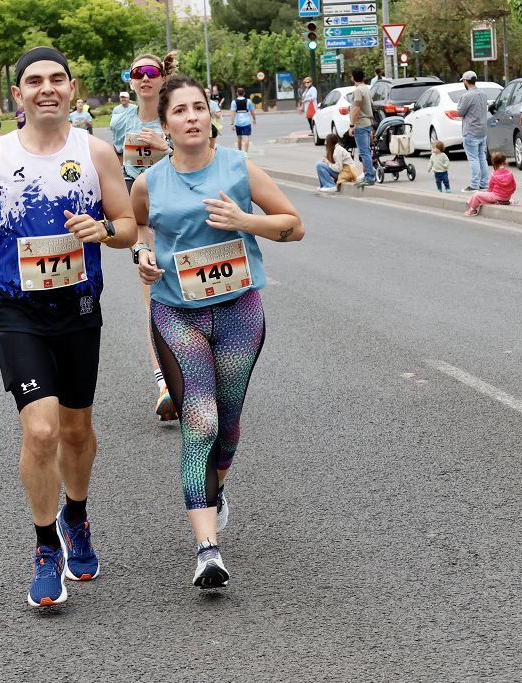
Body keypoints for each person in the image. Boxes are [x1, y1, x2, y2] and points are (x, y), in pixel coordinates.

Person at [0, 46, 137, 608]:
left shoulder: (97, 152)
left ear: (72, 90)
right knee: (42, 430)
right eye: (35, 81)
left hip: (79, 309)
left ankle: (76, 516)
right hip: (18, 310)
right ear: (19, 95)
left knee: (77, 430)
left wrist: (104, 230)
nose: (46, 88)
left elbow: (128, 227)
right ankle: (45, 545)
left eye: (57, 79)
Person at [132, 73, 304, 589]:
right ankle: (207, 548)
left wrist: (244, 221)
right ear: (164, 125)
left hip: (238, 312)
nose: (191, 117)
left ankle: (215, 488)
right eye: (179, 110)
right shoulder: (148, 182)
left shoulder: (239, 168)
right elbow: (140, 228)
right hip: (176, 313)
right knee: (200, 422)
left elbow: (293, 224)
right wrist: (143, 255)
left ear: (212, 117)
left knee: (227, 426)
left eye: (198, 108)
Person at [111, 52, 178, 421]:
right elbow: (117, 172)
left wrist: (166, 147)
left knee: (190, 296)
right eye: (137, 72)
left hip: (181, 215)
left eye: (151, 71)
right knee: (155, 300)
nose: (144, 78)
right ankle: (164, 385)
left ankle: (197, 374)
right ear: (131, 80)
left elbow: (205, 157)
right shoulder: (121, 119)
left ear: (162, 77)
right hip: (141, 218)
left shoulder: (176, 111)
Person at [457, 70, 490, 193]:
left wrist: (460, 101)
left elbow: (460, 112)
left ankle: (474, 184)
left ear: (466, 81)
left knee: (473, 159)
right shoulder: (483, 94)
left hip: (471, 130)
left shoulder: (467, 96)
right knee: (482, 157)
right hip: (482, 130)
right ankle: (484, 183)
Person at [464, 152, 517, 216]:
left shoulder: (494, 175)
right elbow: (514, 186)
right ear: (505, 161)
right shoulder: (510, 173)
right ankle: (470, 202)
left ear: (494, 163)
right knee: (480, 195)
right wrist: (507, 194)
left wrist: (489, 194)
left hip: (496, 197)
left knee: (477, 195)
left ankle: (473, 210)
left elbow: (490, 189)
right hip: (507, 197)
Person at [349, 69, 375, 187]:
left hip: (360, 124)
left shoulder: (358, 91)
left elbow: (357, 108)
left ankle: (369, 176)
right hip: (368, 122)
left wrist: (351, 125)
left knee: (364, 152)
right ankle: (368, 173)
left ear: (353, 78)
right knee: (366, 151)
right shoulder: (366, 88)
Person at [230, 87, 256, 154]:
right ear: (244, 93)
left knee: (239, 137)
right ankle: (246, 153)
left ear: (237, 93)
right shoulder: (248, 101)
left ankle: (239, 151)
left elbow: (232, 114)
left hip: (238, 122)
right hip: (247, 122)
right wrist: (254, 119)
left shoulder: (234, 102)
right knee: (246, 136)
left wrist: (232, 124)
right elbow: (252, 111)